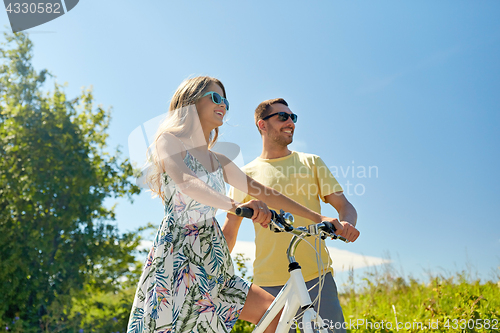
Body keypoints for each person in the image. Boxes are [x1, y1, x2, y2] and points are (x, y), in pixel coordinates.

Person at [126, 77, 348, 333]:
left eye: (226, 101)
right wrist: (236, 205)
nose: (223, 105)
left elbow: (264, 192)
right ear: (192, 101)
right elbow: (187, 183)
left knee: (275, 315)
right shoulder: (169, 141)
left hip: (215, 261)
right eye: (215, 98)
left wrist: (317, 217)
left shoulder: (218, 160)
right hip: (179, 259)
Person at [222, 98, 359, 333]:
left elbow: (344, 205)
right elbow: (231, 228)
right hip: (267, 283)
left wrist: (346, 224)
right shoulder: (245, 174)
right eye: (283, 117)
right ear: (261, 125)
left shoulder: (311, 162)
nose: (291, 122)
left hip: (316, 277)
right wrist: (213, 266)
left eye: (292, 117)